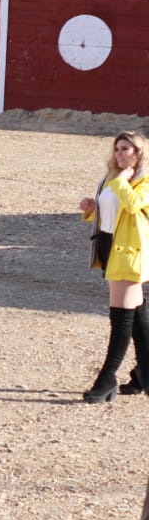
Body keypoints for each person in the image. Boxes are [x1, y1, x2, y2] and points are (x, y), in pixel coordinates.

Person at [79, 133, 149, 404]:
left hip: (131, 253)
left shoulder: (142, 180)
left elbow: (133, 205)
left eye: (126, 149)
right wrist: (92, 209)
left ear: (138, 152)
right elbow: (112, 211)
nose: (120, 154)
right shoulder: (111, 177)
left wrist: (121, 182)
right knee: (136, 312)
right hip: (110, 246)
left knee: (121, 317)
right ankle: (145, 374)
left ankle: (107, 378)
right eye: (117, 149)